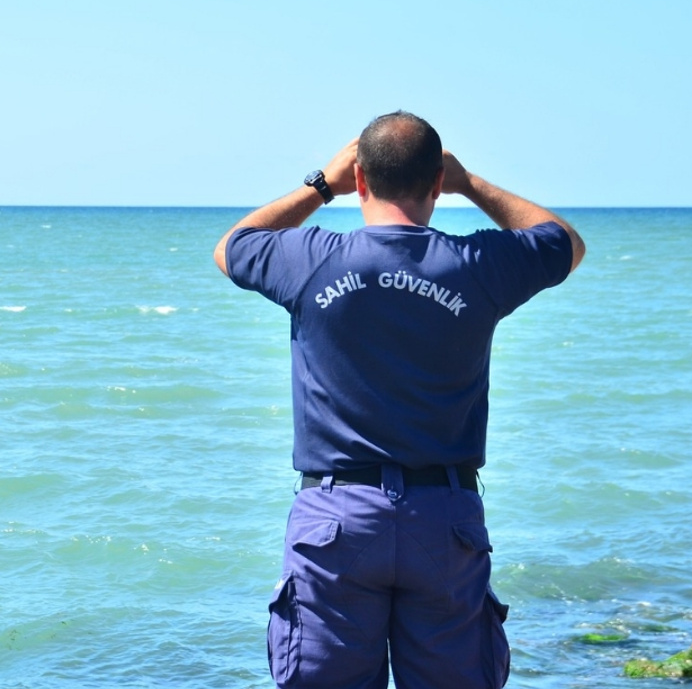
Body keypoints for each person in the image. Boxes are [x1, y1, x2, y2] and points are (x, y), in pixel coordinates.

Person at [213, 111, 585, 689]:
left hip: (336, 519)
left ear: (359, 179)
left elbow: (233, 247)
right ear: (437, 181)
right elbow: (563, 242)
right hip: (444, 517)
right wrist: (471, 183)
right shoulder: (476, 266)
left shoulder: (312, 260)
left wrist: (320, 185)